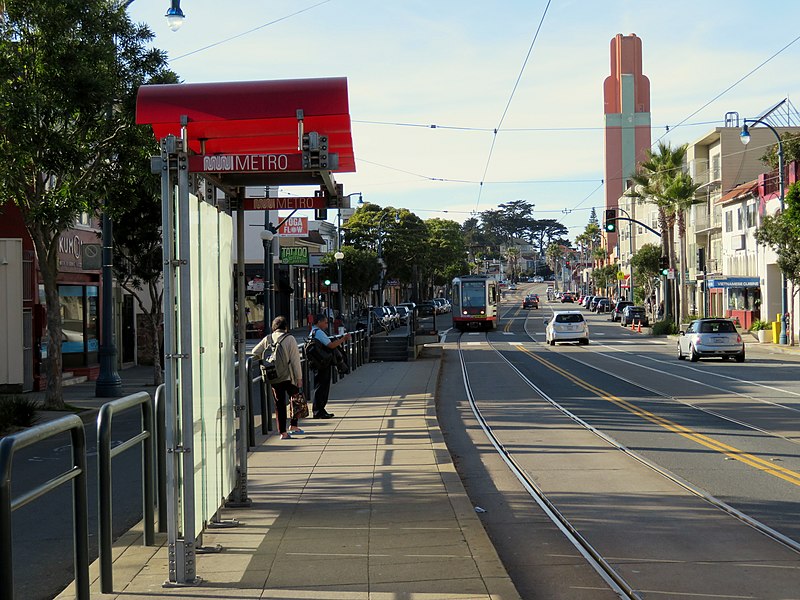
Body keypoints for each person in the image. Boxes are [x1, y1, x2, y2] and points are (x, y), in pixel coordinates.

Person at [253, 315, 304, 439]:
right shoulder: (289, 338)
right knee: (295, 399)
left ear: (274, 327)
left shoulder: (268, 338)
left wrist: (266, 362)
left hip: (274, 376)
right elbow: (295, 360)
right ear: (285, 327)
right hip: (289, 376)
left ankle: (283, 432)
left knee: (279, 404)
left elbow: (255, 352)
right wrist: (299, 378)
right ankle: (293, 425)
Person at [309, 313, 350, 419]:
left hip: (318, 362)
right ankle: (319, 411)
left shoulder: (313, 331)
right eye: (325, 322)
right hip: (322, 363)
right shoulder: (319, 333)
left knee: (320, 386)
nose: (327, 325)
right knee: (322, 387)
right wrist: (343, 339)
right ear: (319, 322)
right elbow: (330, 345)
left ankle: (320, 410)